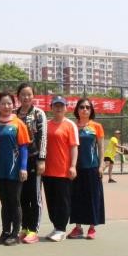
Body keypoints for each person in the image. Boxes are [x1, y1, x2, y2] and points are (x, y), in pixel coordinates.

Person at [0, 91, 30, 246]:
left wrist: (23, 168)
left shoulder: (18, 123)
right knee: (4, 202)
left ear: (13, 105)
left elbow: (24, 147)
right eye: (3, 103)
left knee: (14, 201)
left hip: (14, 170)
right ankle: (5, 232)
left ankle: (15, 234)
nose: (6, 106)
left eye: (9, 103)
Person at [42, 96, 79, 242]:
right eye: (56, 105)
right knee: (51, 201)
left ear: (66, 108)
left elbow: (74, 147)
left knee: (62, 202)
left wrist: (73, 166)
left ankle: (61, 229)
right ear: (51, 107)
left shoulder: (70, 125)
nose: (58, 108)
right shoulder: (46, 124)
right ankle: (56, 226)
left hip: (63, 171)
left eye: (61, 106)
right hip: (47, 170)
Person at [15, 83, 47, 244]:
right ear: (18, 96)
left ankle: (34, 230)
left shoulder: (38, 114)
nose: (26, 97)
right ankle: (25, 227)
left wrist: (41, 159)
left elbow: (43, 137)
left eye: (29, 94)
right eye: (23, 94)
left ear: (33, 96)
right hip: (19, 161)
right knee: (22, 196)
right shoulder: (14, 114)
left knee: (34, 196)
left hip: (34, 159)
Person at [69, 99, 105, 240]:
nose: (85, 109)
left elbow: (101, 147)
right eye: (82, 107)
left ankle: (92, 227)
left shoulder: (97, 126)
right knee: (76, 197)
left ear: (91, 110)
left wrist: (101, 165)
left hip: (92, 168)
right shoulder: (72, 126)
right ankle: (78, 228)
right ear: (77, 110)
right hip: (76, 168)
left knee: (92, 197)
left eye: (87, 107)